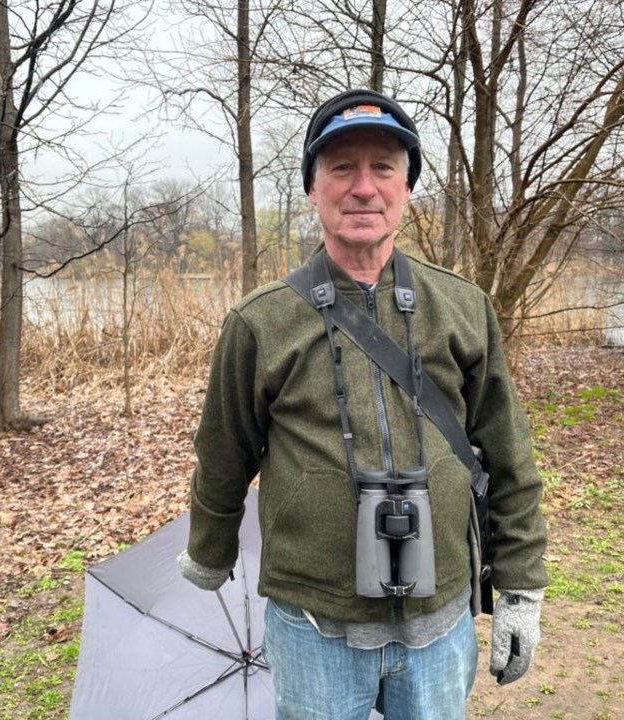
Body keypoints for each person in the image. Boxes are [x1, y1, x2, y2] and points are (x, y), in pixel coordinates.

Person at [178, 88, 548, 719]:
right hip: (312, 627)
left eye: (383, 167)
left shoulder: (462, 307)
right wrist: (210, 553)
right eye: (341, 168)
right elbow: (224, 453)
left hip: (440, 624)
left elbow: (508, 455)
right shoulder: (261, 321)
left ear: (406, 188)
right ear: (313, 187)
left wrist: (519, 586)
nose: (363, 187)